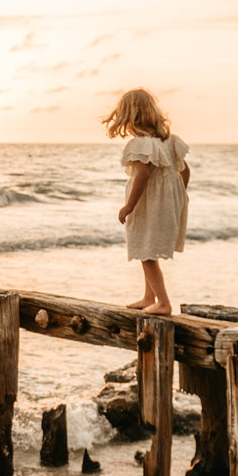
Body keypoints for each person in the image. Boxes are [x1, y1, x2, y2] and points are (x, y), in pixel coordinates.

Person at [103, 87, 191, 314]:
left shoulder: (140, 144)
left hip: (148, 204)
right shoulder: (170, 141)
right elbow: (185, 171)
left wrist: (129, 206)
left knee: (145, 251)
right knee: (148, 248)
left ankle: (163, 302)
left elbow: (143, 175)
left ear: (130, 117)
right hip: (167, 204)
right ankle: (148, 296)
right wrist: (179, 197)